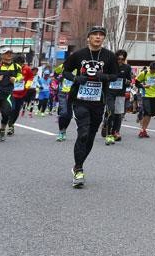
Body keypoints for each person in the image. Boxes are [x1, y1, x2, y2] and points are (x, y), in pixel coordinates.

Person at [62, 25, 119, 188]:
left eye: (101, 35)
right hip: (80, 99)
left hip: (98, 101)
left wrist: (104, 76)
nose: (98, 37)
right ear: (89, 38)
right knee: (83, 133)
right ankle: (79, 169)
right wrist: (75, 79)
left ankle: (77, 165)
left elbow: (115, 75)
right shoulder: (79, 54)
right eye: (95, 34)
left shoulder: (109, 56)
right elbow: (65, 71)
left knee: (91, 135)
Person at [102, 49, 132, 144]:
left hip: (120, 93)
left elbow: (129, 80)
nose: (120, 61)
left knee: (118, 114)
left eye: (122, 59)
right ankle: (108, 132)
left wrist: (128, 82)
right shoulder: (109, 66)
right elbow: (104, 77)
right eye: (118, 59)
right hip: (109, 92)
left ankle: (115, 132)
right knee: (111, 111)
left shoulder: (127, 67)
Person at [135, 62, 155, 138]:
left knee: (150, 114)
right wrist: (144, 86)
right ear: (150, 68)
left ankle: (144, 128)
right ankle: (142, 130)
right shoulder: (144, 73)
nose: (153, 72)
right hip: (145, 95)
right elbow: (136, 83)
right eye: (152, 70)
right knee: (147, 113)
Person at [54, 62, 75, 142]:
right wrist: (59, 79)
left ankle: (64, 130)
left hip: (73, 93)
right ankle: (60, 132)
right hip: (62, 92)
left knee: (69, 115)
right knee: (63, 112)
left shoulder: (79, 66)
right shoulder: (62, 66)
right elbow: (55, 73)